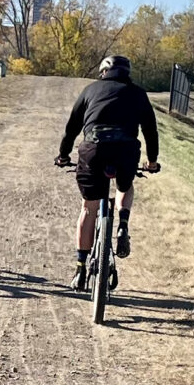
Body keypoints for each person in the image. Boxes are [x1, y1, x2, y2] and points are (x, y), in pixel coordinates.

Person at [55, 53, 160, 285]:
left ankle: (81, 269)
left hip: (93, 149)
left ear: (103, 72)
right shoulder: (138, 94)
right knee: (125, 185)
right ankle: (122, 222)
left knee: (88, 208)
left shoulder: (90, 90)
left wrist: (63, 155)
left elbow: (71, 128)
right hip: (126, 150)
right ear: (126, 73)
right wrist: (152, 162)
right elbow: (151, 131)